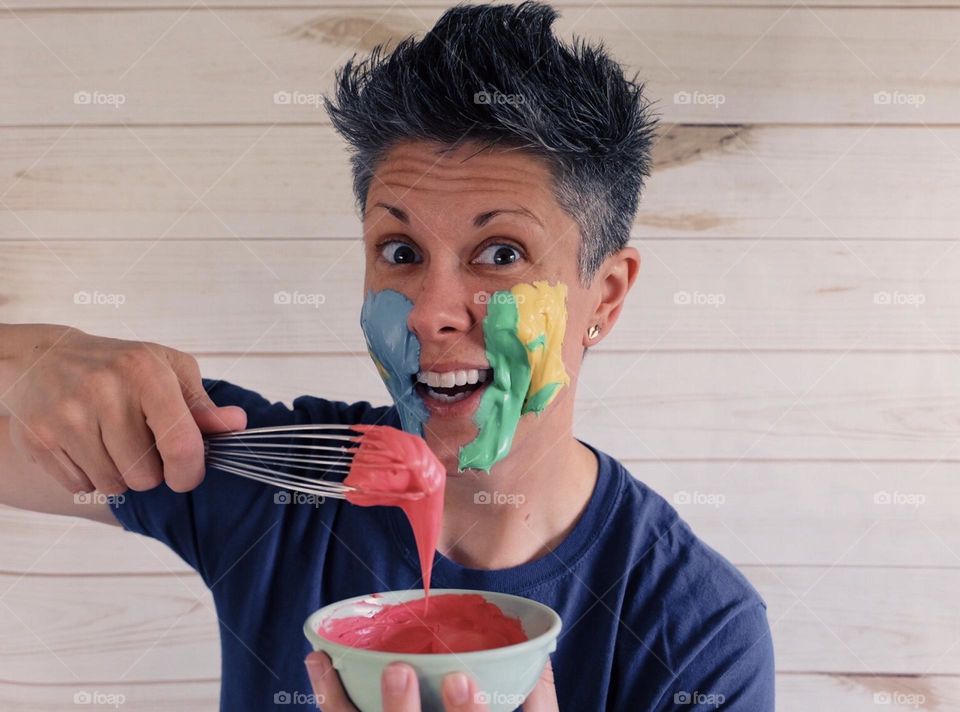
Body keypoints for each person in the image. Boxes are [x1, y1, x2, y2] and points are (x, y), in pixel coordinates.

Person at [0, 2, 774, 710]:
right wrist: (36, 355)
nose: (430, 313)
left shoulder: (696, 633)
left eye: (500, 254)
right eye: (400, 250)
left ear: (603, 296)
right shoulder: (275, 474)